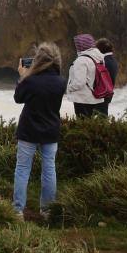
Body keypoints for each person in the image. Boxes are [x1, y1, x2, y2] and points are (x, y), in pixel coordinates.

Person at [13, 43, 66, 221]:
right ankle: (47, 210)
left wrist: (22, 76)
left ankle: (18, 210)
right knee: (49, 169)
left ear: (38, 60)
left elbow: (18, 98)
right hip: (50, 130)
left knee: (22, 169)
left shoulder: (31, 80)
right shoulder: (60, 82)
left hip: (29, 130)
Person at [65, 33, 108, 118]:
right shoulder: (100, 57)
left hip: (83, 99)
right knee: (92, 126)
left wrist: (68, 88)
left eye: (77, 44)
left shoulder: (81, 60)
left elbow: (79, 83)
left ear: (81, 45)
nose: (76, 47)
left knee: (82, 125)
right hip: (97, 97)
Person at [96, 37, 118, 105]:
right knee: (104, 114)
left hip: (102, 93)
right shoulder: (113, 60)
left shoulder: (103, 61)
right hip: (109, 92)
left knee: (99, 114)